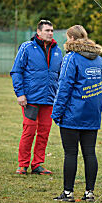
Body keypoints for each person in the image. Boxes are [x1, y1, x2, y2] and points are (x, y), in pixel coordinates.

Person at [51, 25, 102, 202]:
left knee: (71, 153)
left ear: (72, 39)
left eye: (67, 38)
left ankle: (68, 193)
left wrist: (56, 113)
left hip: (72, 115)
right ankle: (90, 192)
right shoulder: (99, 60)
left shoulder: (71, 58)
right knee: (90, 153)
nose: (66, 41)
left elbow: (64, 88)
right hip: (92, 114)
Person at [11, 19, 63, 175]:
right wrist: (20, 94)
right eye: (47, 30)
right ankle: (23, 164)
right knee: (29, 131)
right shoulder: (27, 48)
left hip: (49, 99)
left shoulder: (58, 50)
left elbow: (59, 75)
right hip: (31, 99)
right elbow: (16, 72)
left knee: (44, 132)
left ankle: (38, 164)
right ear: (38, 32)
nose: (50, 33)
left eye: (52, 30)